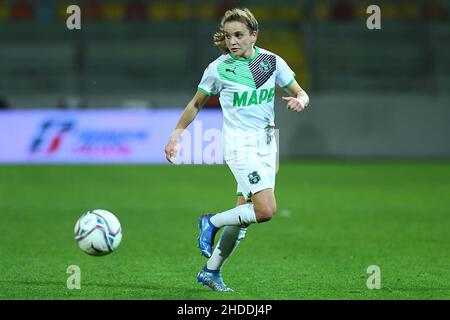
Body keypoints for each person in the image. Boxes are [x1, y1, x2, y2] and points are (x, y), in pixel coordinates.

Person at [164, 7, 309, 292]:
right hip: (238, 144)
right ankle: (211, 222)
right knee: (265, 210)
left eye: (239, 35)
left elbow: (300, 92)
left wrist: (301, 101)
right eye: (229, 36)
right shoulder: (219, 68)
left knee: (244, 215)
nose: (233, 41)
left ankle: (211, 271)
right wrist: (176, 135)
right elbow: (196, 103)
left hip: (268, 144)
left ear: (253, 35)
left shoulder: (272, 62)